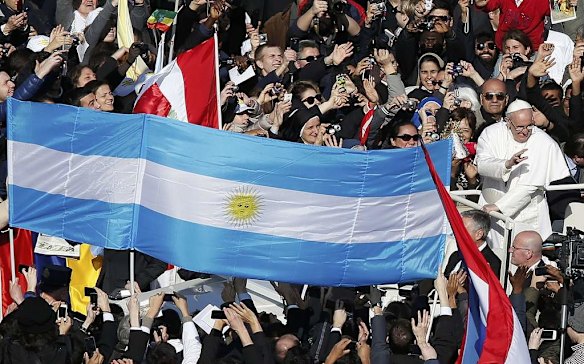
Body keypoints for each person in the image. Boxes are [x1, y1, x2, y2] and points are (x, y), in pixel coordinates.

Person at [476, 99, 570, 247]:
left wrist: (499, 206)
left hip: (526, 213)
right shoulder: (491, 133)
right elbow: (482, 164)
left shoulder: (544, 142)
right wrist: (506, 164)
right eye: (519, 127)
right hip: (491, 209)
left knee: (523, 259)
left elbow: (530, 186)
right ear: (508, 121)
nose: (525, 131)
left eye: (529, 126)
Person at [444, 209, 501, 278]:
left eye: (462, 229)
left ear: (479, 234)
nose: (457, 233)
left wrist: (459, 288)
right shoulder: (455, 256)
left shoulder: (491, 264)